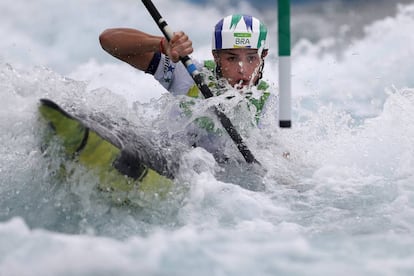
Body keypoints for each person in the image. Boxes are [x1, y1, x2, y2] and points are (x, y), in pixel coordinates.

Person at [99, 14, 277, 163]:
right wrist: (161, 44)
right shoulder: (189, 74)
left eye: (251, 58)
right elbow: (108, 40)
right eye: (231, 58)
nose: (242, 69)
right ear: (216, 57)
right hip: (168, 160)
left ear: (264, 56)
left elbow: (278, 159)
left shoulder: (265, 101)